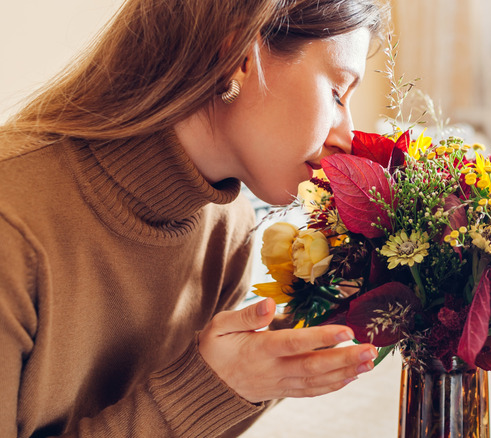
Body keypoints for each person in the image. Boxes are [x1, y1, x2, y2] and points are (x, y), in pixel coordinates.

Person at [0, 0, 388, 436]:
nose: (348, 137)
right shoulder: (12, 223)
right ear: (238, 55)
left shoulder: (228, 230)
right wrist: (208, 387)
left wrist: (263, 370)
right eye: (337, 92)